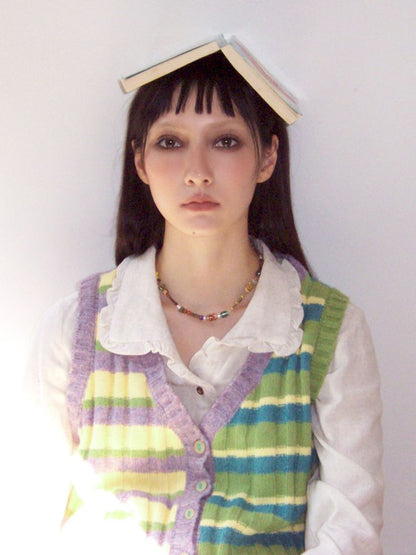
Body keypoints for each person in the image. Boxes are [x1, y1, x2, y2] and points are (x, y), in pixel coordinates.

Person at [31, 51, 383, 554]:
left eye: (225, 141)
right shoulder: (77, 327)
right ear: (140, 162)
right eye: (170, 142)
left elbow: (350, 533)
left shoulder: (328, 330)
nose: (197, 172)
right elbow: (34, 513)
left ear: (267, 158)